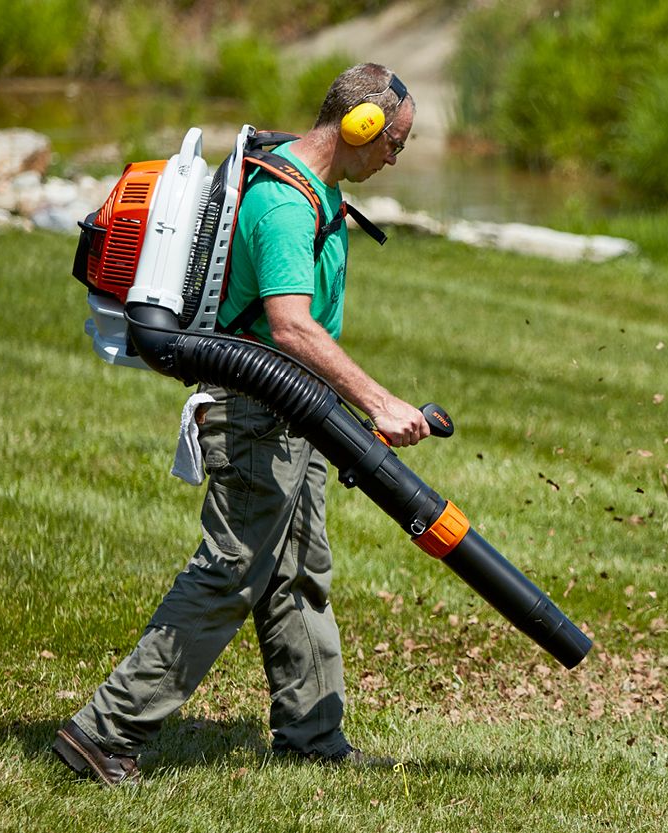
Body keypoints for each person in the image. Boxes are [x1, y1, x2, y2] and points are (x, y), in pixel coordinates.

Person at [54, 63, 429, 785]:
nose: (394, 158)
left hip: (293, 411)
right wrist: (378, 401)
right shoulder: (287, 207)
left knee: (297, 574)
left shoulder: (299, 179)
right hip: (259, 412)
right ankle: (106, 730)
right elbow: (291, 328)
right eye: (395, 145)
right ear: (362, 127)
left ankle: (313, 736)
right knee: (230, 573)